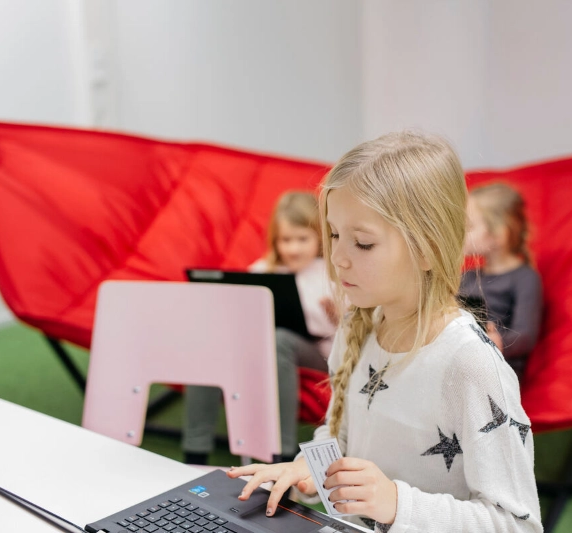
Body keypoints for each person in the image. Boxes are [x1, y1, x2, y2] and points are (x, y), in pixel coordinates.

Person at [228, 131, 542, 532]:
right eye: (335, 235)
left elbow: (517, 525)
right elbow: (341, 436)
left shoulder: (471, 365)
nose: (337, 258)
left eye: (362, 243)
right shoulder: (358, 324)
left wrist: (396, 504)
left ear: (427, 248)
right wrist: (309, 467)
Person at [183, 191, 337, 464]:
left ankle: (281, 455)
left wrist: (336, 317)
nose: (293, 249)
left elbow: (349, 333)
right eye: (286, 240)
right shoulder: (262, 271)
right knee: (209, 346)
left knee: (279, 341)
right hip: (259, 350)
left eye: (302, 239)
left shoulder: (330, 273)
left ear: (319, 237)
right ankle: (195, 453)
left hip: (318, 353)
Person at [459, 182, 543, 381]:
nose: (460, 233)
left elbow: (525, 336)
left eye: (469, 227)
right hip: (462, 360)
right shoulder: (467, 276)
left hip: (497, 372)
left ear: (497, 235)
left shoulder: (524, 278)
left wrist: (495, 341)